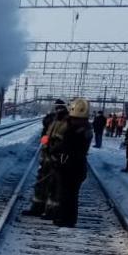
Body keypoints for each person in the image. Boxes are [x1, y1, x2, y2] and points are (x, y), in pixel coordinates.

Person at [22, 99, 66, 217]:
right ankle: (37, 207)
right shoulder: (53, 121)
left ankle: (51, 211)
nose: (58, 110)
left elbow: (63, 142)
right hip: (46, 156)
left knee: (53, 185)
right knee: (41, 183)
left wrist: (55, 152)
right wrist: (45, 145)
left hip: (56, 158)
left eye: (60, 107)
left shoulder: (66, 122)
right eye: (57, 108)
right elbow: (45, 136)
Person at [53, 97, 93, 227]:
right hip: (78, 166)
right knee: (72, 195)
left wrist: (54, 150)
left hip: (68, 166)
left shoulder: (74, 130)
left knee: (65, 194)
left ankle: (64, 219)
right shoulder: (86, 128)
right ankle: (69, 219)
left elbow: (66, 146)